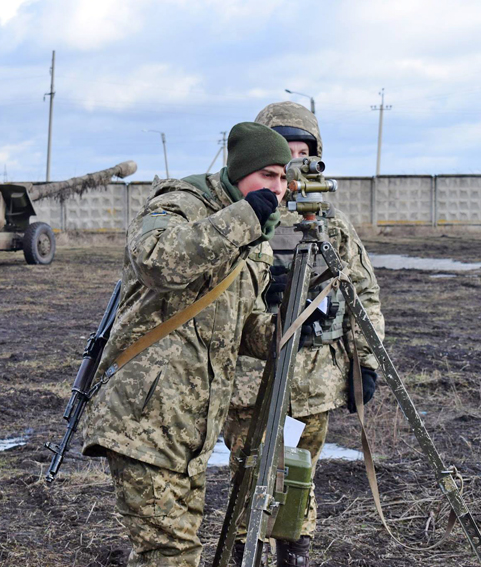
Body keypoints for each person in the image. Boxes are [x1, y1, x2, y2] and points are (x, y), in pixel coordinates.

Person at [82, 122, 293, 566]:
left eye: (283, 178)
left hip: (192, 428)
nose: (279, 189)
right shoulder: (181, 204)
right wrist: (244, 219)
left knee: (173, 553)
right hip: (142, 420)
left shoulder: (256, 237)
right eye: (268, 176)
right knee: (171, 555)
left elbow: (238, 329)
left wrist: (288, 326)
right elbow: (156, 261)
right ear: (240, 174)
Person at [224, 101, 385, 567]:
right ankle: (242, 551)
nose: (293, 163)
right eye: (283, 153)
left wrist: (366, 362)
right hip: (252, 380)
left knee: (299, 478)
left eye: (302, 151)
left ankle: (293, 554)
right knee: (249, 475)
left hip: (313, 381)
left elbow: (363, 293)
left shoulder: (329, 224)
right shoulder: (237, 217)